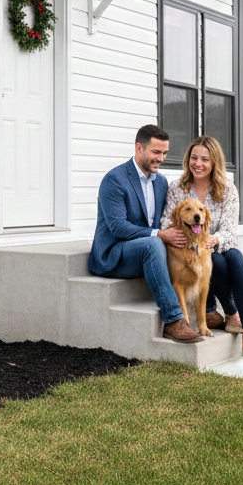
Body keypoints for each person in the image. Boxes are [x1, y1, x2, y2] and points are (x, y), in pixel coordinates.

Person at [89, 125, 203, 343]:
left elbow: (161, 223)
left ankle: (207, 308)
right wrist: (159, 234)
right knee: (155, 243)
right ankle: (173, 320)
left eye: (165, 153)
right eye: (156, 152)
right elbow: (118, 227)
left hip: (147, 250)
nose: (161, 158)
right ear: (139, 148)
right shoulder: (114, 180)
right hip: (115, 254)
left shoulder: (160, 182)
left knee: (186, 241)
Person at [160, 135, 243, 357]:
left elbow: (230, 231)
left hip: (219, 245)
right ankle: (232, 314)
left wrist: (214, 240)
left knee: (233, 258)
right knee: (215, 261)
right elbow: (167, 219)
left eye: (205, 159)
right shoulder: (178, 187)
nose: (198, 164)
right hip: (190, 250)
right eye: (193, 158)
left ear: (214, 162)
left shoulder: (227, 189)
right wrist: (178, 236)